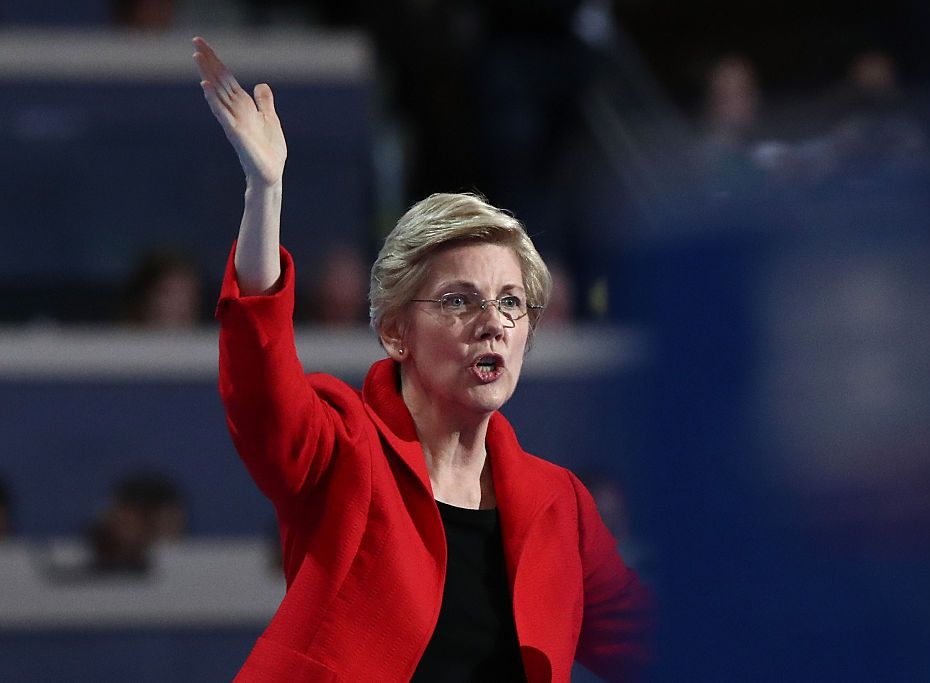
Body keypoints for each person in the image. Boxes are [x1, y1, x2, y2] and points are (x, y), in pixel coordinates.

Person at [192, 36, 651, 682]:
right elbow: (261, 389)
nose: (493, 321)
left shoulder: (561, 506)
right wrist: (265, 192)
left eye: (512, 303)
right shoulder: (345, 450)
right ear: (395, 333)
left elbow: (667, 647)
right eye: (460, 300)